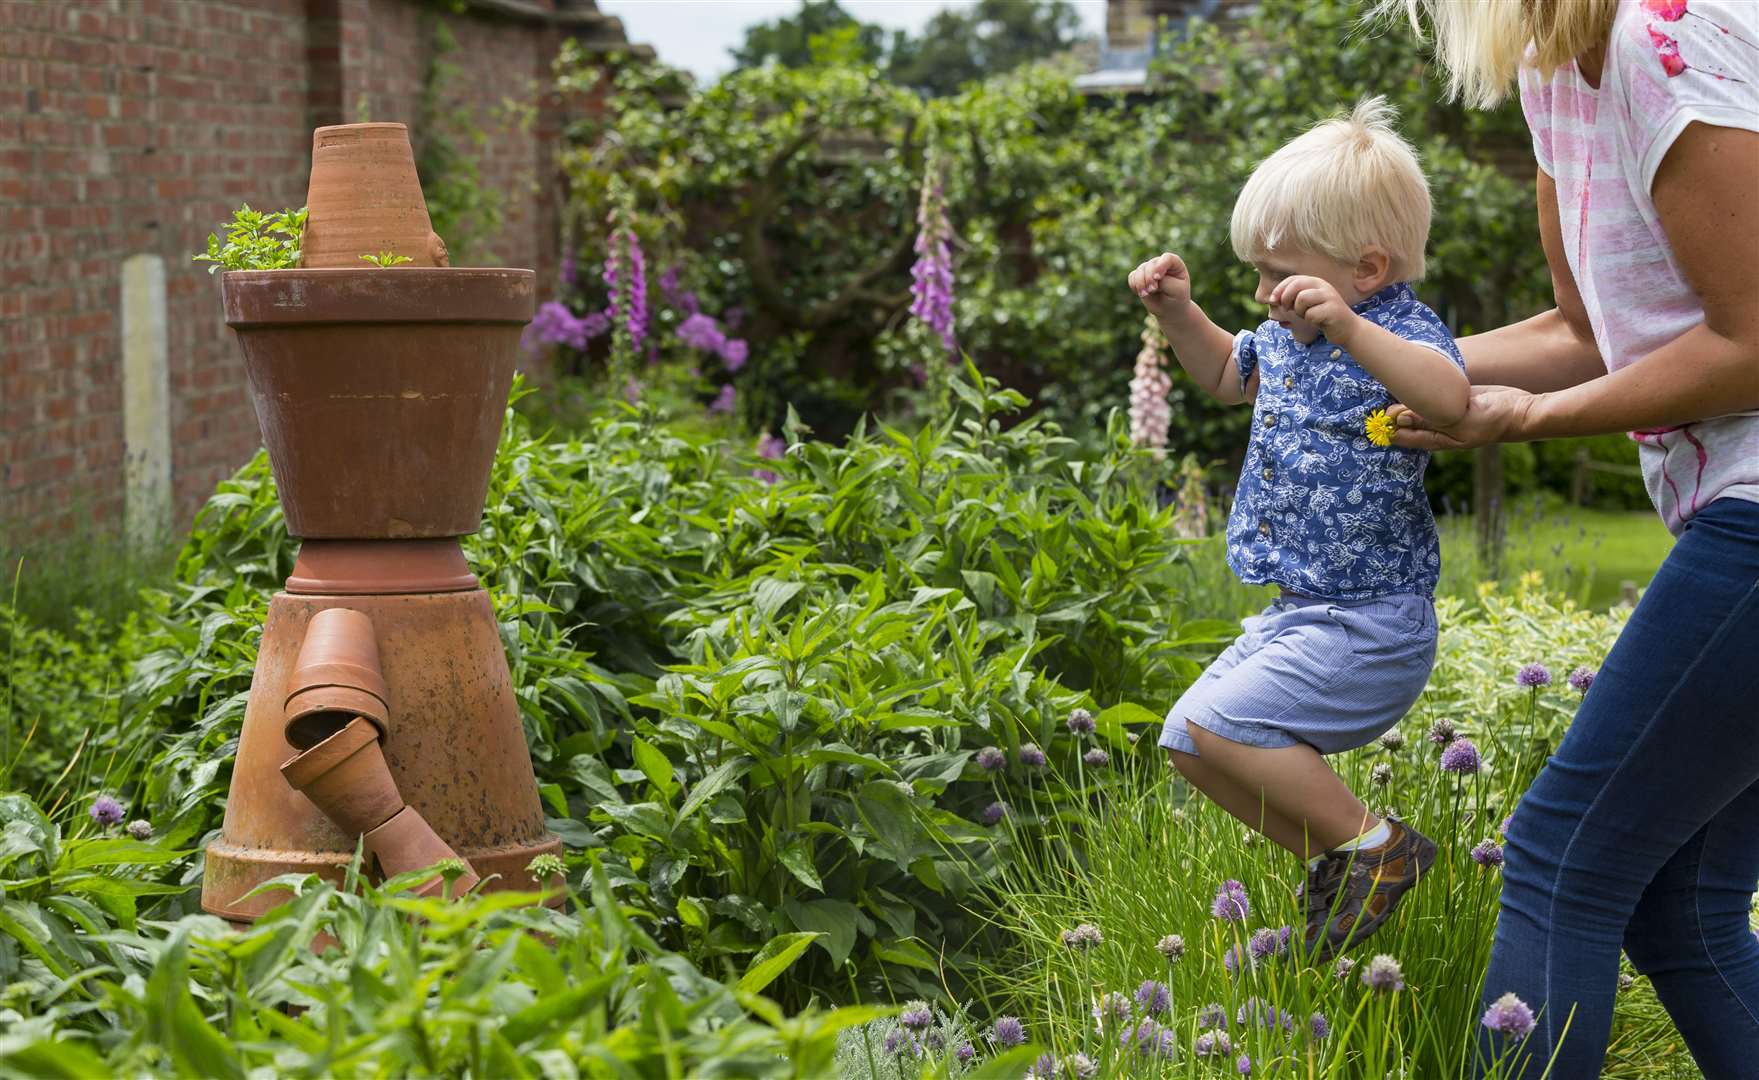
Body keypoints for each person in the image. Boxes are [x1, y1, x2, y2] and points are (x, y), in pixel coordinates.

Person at [1383, 0, 1759, 1073]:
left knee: (1561, 858)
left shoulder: (1661, 39)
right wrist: (1363, 359)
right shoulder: (1556, 68)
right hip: (1729, 506)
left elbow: (1753, 337)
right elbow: (1577, 332)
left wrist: (1530, 420)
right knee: (1682, 908)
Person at [1126, 97, 1469, 959]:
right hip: (1297, 611)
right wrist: (1178, 313)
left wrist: (1351, 329)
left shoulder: (1396, 332)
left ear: (1364, 269)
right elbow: (1221, 375)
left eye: (1274, 274)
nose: (1259, 295)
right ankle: (1347, 859)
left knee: (1222, 725)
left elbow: (1450, 400)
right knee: (1187, 741)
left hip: (1371, 622)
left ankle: (1377, 847)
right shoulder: (1280, 337)